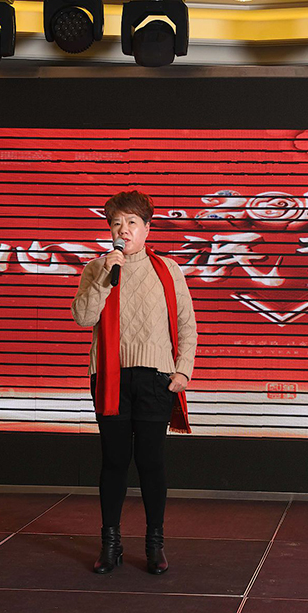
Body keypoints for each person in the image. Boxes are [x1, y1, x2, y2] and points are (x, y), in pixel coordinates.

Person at [71, 190, 197, 575]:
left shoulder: (168, 269)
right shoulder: (97, 268)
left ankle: (154, 544)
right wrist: (104, 277)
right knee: (114, 461)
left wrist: (182, 370)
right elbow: (83, 317)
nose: (123, 230)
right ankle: (110, 544)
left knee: (151, 462)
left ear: (146, 228)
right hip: (110, 376)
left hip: (156, 378)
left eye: (131, 223)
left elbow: (187, 324)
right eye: (116, 223)